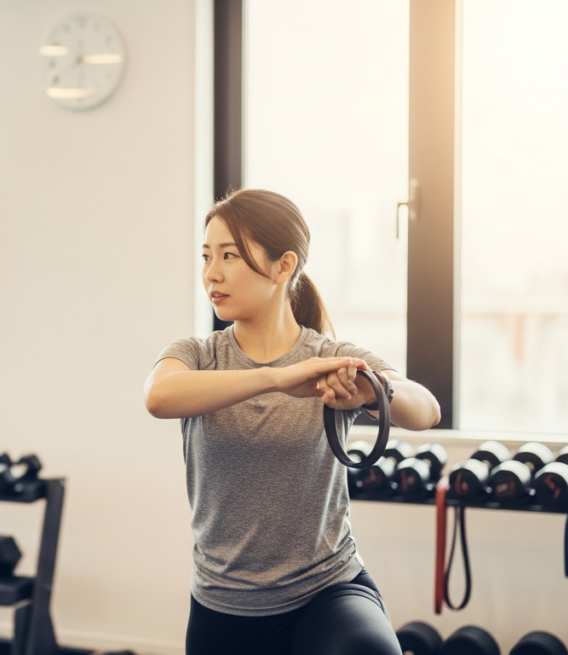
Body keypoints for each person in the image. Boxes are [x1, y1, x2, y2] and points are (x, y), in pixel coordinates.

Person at [143, 189, 440, 655]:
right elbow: (159, 397)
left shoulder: (330, 357)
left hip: (326, 591)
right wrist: (275, 379)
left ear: (284, 266)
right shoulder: (199, 355)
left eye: (229, 256)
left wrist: (373, 391)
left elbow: (426, 409)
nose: (211, 273)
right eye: (206, 256)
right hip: (224, 604)